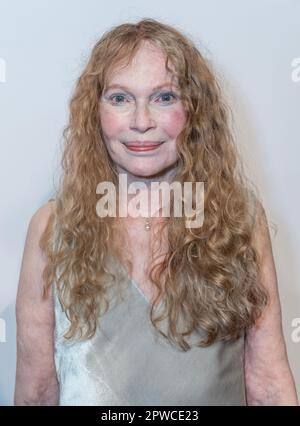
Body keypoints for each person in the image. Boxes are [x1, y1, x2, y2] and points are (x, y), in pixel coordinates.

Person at [14, 18, 298, 406]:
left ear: (194, 110)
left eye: (164, 97)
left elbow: (267, 384)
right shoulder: (51, 229)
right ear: (95, 112)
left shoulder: (241, 223)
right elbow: (36, 393)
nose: (142, 122)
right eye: (120, 98)